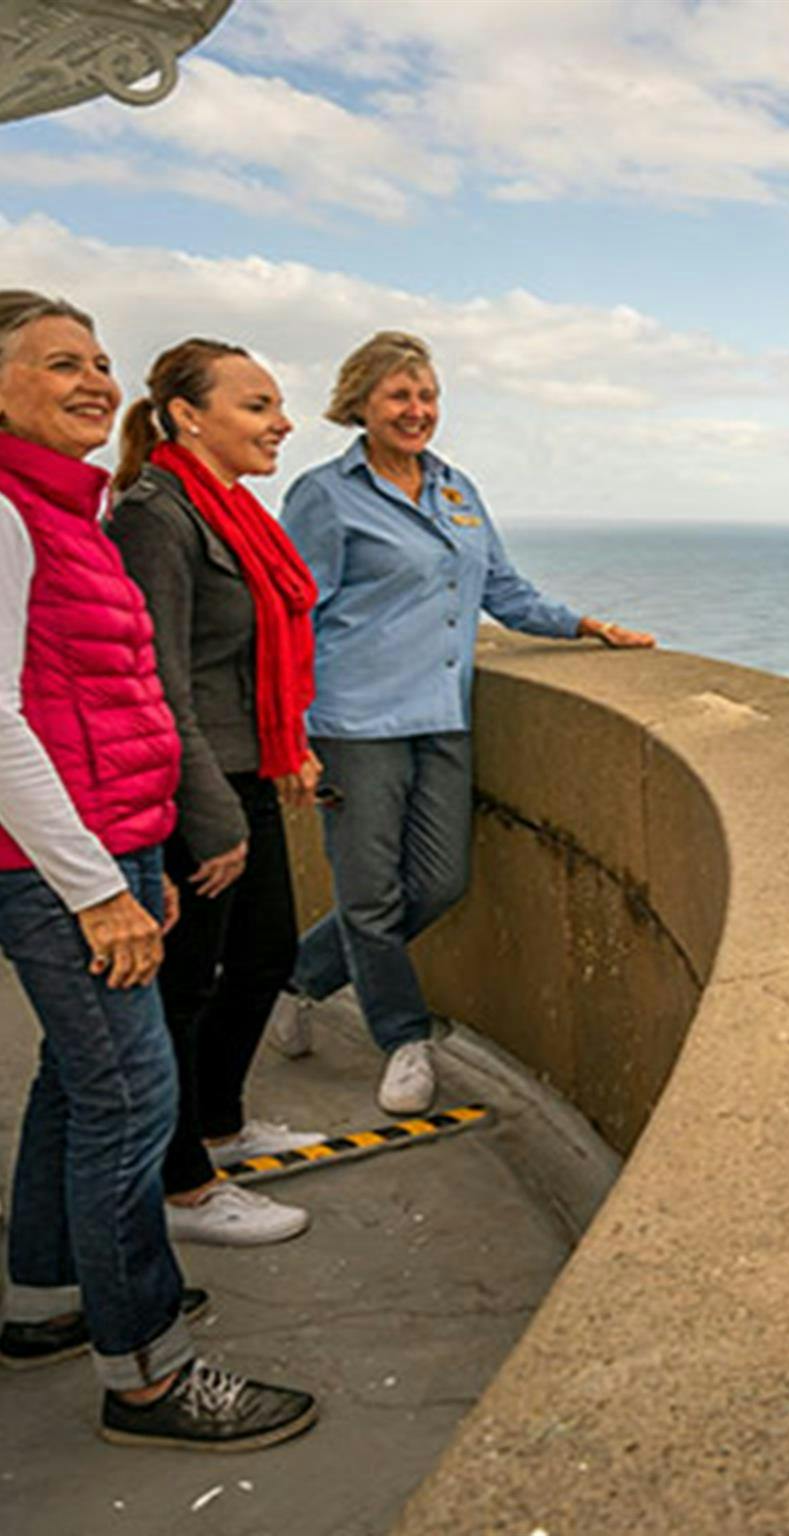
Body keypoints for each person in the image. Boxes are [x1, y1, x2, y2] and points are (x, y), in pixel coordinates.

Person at [0, 290, 315, 1449]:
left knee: (75, 1088)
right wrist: (95, 884)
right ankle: (146, 1373)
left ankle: (43, 1302)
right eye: (56, 364)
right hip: (54, 857)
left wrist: (138, 852)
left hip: (100, 841)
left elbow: (103, 696)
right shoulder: (14, 515)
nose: (93, 380)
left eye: (97, 361)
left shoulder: (64, 509)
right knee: (131, 1101)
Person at [277, 331, 652, 1116]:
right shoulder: (325, 494)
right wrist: (292, 730)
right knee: (371, 896)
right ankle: (403, 1038)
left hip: (441, 714)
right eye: (398, 396)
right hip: (354, 721)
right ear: (361, 404)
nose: (417, 412)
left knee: (442, 882)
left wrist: (586, 625)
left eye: (427, 397)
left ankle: (300, 976)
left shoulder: (455, 489)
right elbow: (293, 615)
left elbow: (504, 592)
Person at [107, 339, 326, 1248]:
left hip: (246, 767)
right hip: (195, 782)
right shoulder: (157, 517)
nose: (281, 423)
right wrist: (210, 814)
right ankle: (183, 1184)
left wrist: (290, 747)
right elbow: (159, 678)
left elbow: (253, 656)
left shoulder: (231, 511)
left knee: (267, 952)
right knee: (187, 982)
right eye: (257, 406)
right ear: (186, 416)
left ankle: (219, 1122)